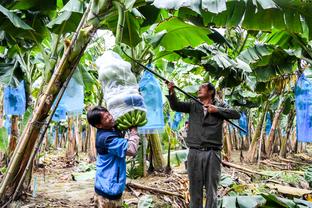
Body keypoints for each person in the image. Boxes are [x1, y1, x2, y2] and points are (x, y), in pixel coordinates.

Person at [166, 82, 240, 208]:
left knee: (211, 189)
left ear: (211, 92)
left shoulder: (220, 105)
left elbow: (235, 114)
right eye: (199, 87)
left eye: (203, 87)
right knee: (194, 189)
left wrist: (217, 110)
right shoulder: (193, 104)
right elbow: (176, 106)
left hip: (212, 152)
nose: (199, 89)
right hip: (194, 152)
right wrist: (172, 92)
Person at [87, 106, 140, 208]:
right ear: (99, 125)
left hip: (108, 185)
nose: (111, 118)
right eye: (106, 118)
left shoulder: (110, 129)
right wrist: (133, 131)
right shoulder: (106, 139)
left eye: (109, 115)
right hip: (108, 190)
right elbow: (131, 149)